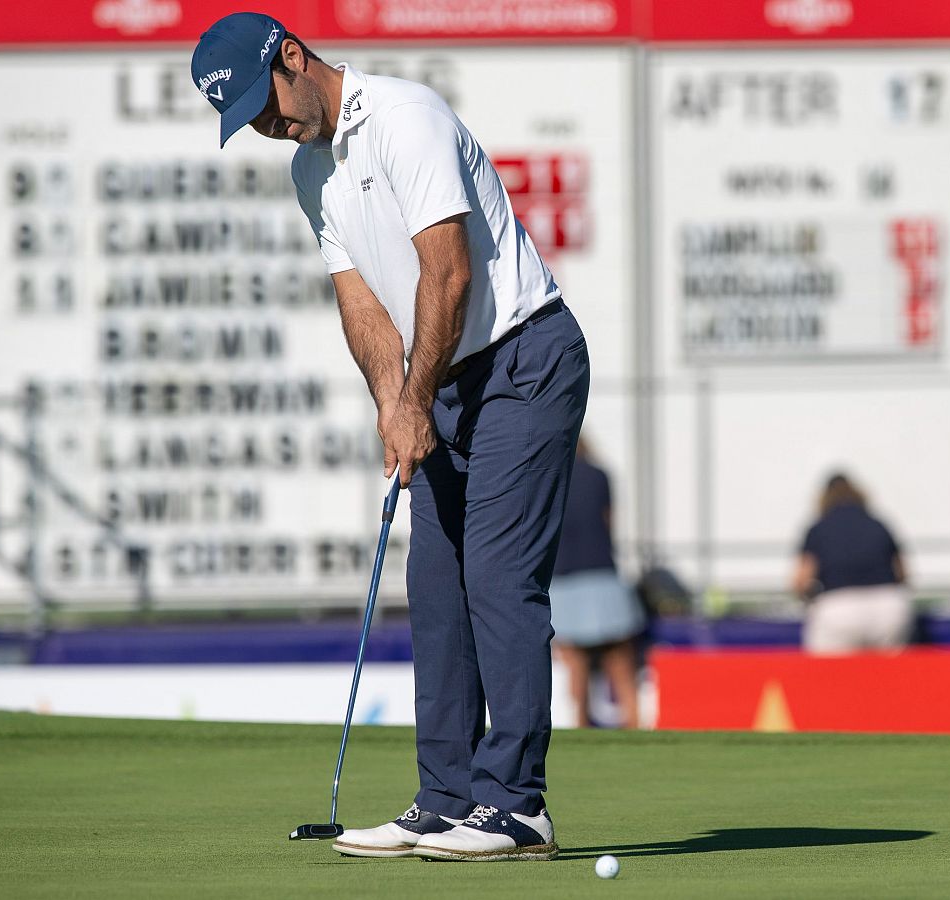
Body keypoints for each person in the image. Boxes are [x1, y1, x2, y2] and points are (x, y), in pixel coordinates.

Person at [192, 13, 588, 862]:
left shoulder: (406, 117)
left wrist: (415, 397)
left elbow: (449, 270)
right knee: (436, 585)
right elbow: (361, 302)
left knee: (496, 574)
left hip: (525, 358)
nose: (268, 127)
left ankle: (517, 806)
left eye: (266, 105)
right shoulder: (311, 173)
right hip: (441, 380)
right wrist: (391, 401)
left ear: (292, 57)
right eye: (249, 124)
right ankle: (446, 800)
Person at [550, 439, 645, 729]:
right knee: (618, 656)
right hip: (602, 572)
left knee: (575, 662)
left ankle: (580, 724)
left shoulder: (546, 476)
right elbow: (608, 522)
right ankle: (635, 722)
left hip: (562, 576)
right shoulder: (599, 475)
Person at [791, 473, 911, 655]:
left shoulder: (819, 528)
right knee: (888, 677)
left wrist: (810, 599)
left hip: (838, 608)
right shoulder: (878, 524)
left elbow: (800, 581)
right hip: (887, 608)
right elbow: (903, 573)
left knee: (829, 679)